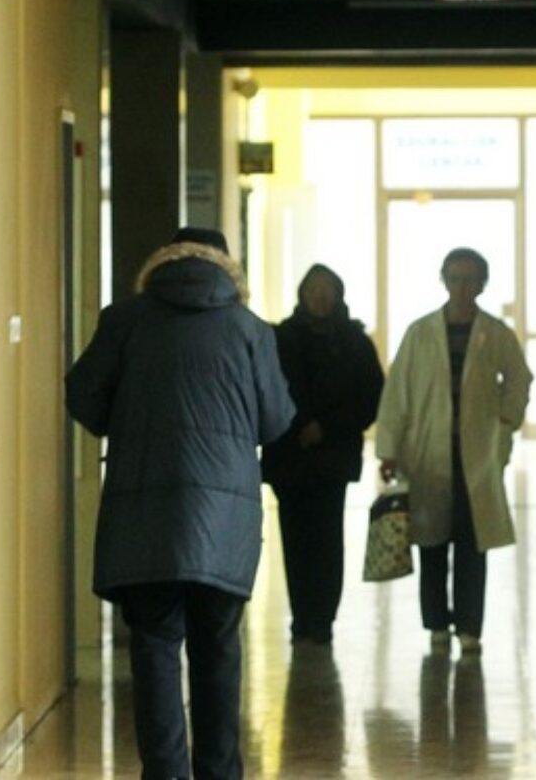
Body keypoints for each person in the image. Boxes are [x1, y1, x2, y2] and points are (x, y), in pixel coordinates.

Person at [65, 226, 294, 780]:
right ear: (227, 269)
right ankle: (220, 772)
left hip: (144, 510)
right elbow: (276, 419)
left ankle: (166, 772)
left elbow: (83, 396)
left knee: (154, 646)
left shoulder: (123, 321)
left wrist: (131, 419)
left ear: (162, 262)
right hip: (226, 517)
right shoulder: (250, 330)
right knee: (218, 647)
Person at [375, 247, 532, 657]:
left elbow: (519, 378)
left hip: (476, 453)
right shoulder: (420, 333)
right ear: (443, 281)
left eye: (471, 279)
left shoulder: (494, 333)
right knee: (431, 542)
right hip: (426, 453)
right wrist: (388, 449)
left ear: (482, 284)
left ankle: (469, 627)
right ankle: (436, 624)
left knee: (472, 541)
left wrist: (506, 421)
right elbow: (397, 393)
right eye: (456, 278)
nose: (463, 287)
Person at [261, 263, 384, 645]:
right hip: (289, 453)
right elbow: (266, 390)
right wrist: (297, 426)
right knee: (295, 538)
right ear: (302, 294)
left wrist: (327, 428)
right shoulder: (280, 338)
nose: (320, 296)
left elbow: (370, 398)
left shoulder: (355, 342)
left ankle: (323, 618)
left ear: (339, 294)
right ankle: (302, 617)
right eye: (313, 289)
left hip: (333, 455)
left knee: (328, 538)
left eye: (327, 289)